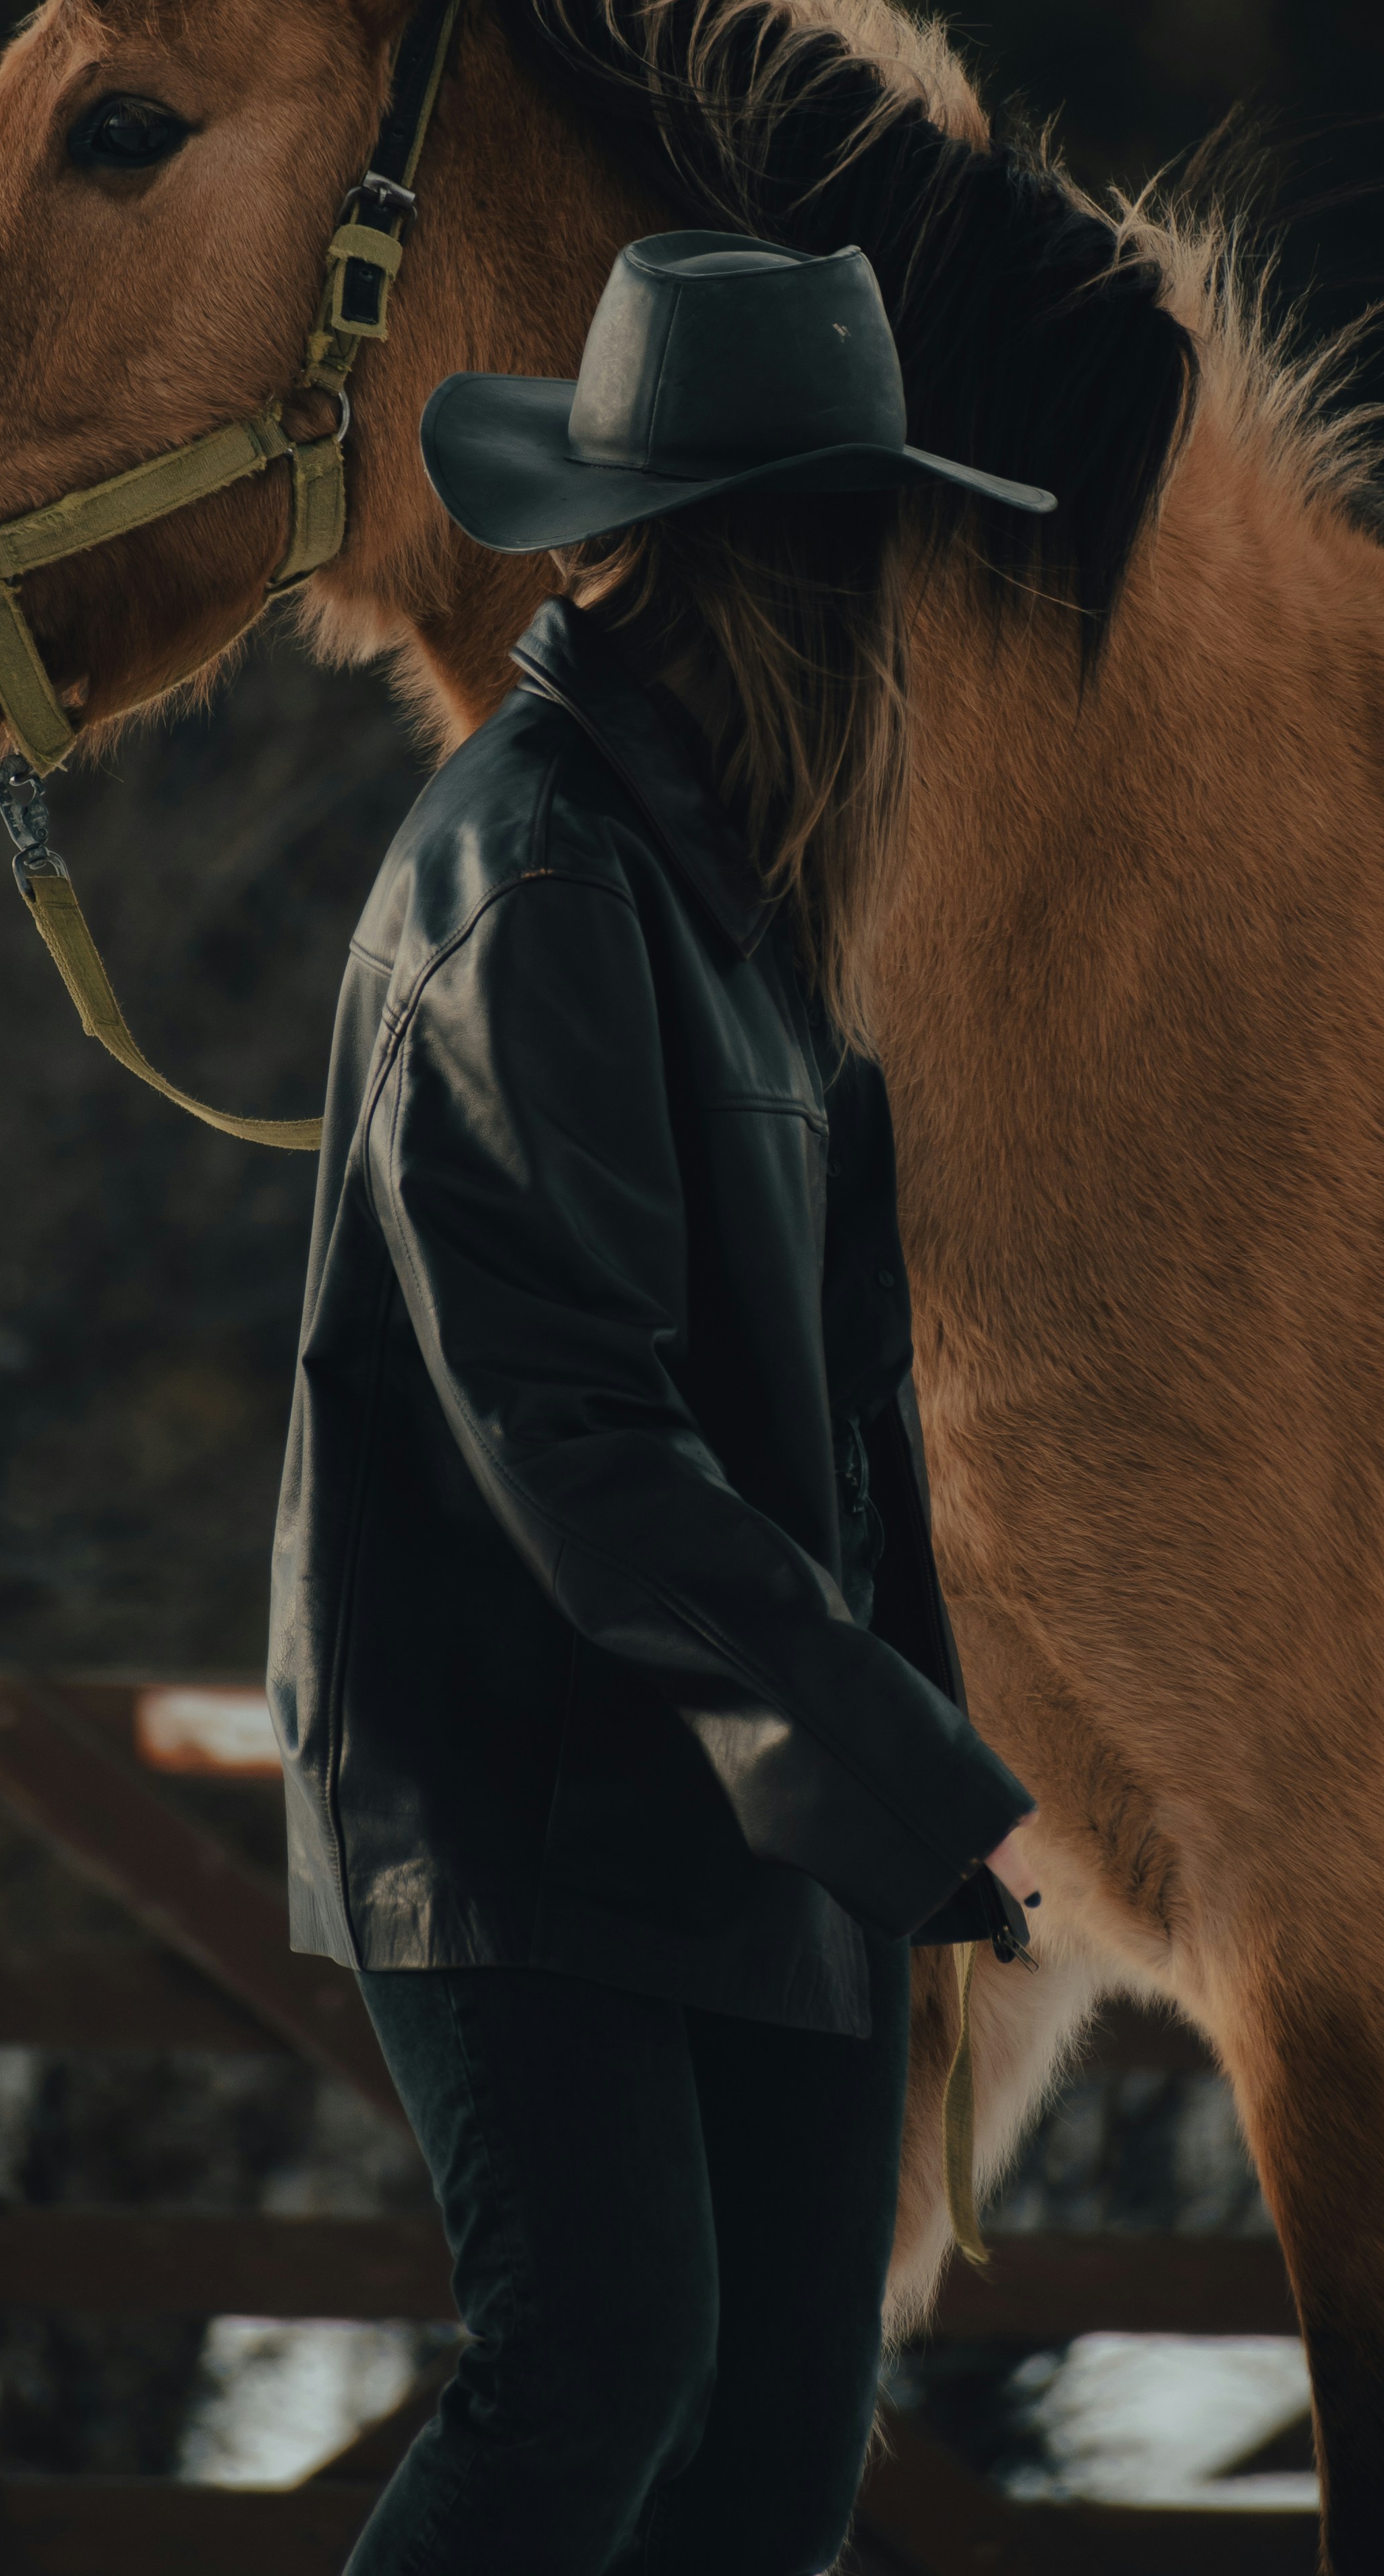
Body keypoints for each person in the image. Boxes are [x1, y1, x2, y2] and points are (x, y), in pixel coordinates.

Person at [269, 231, 1051, 2576]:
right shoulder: (531, 876)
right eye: (864, 545)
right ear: (756, 570)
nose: (906, 608)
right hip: (523, 1800)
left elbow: (845, 1405)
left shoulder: (760, 893)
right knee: (597, 2375)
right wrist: (903, 1775)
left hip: (750, 1785)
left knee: (777, 2458)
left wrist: (903, 1742)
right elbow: (579, 1439)